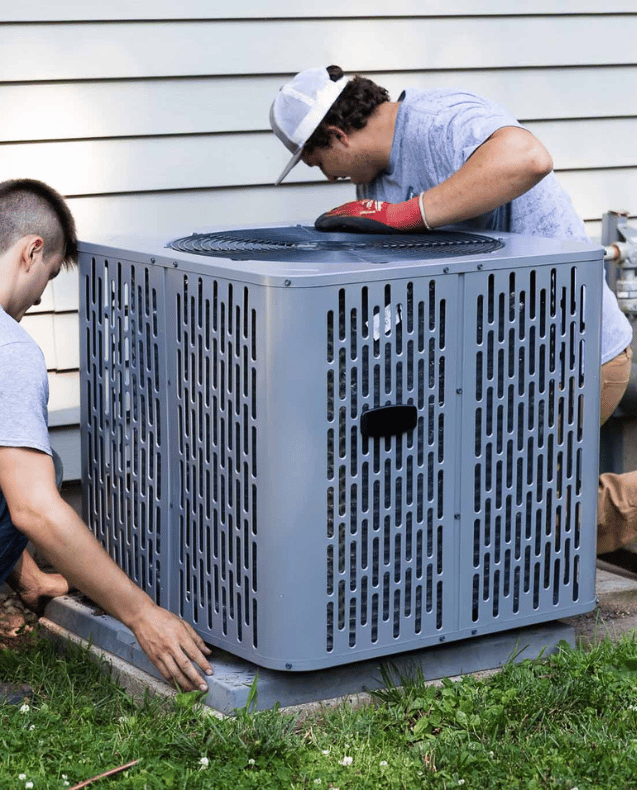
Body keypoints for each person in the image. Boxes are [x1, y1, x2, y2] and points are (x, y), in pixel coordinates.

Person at [269, 65, 635, 554]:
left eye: (319, 163)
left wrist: (406, 215)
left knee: (519, 518)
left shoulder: (439, 120)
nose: (329, 176)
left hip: (567, 357)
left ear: (338, 136)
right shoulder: (376, 186)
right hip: (497, 372)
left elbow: (529, 158)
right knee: (469, 506)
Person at [0, 179, 212, 702]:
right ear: (30, 251)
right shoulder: (4, 348)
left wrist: (33, 578)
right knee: (37, 475)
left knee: (7, 458)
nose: (40, 297)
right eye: (50, 275)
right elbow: (33, 511)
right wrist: (142, 614)